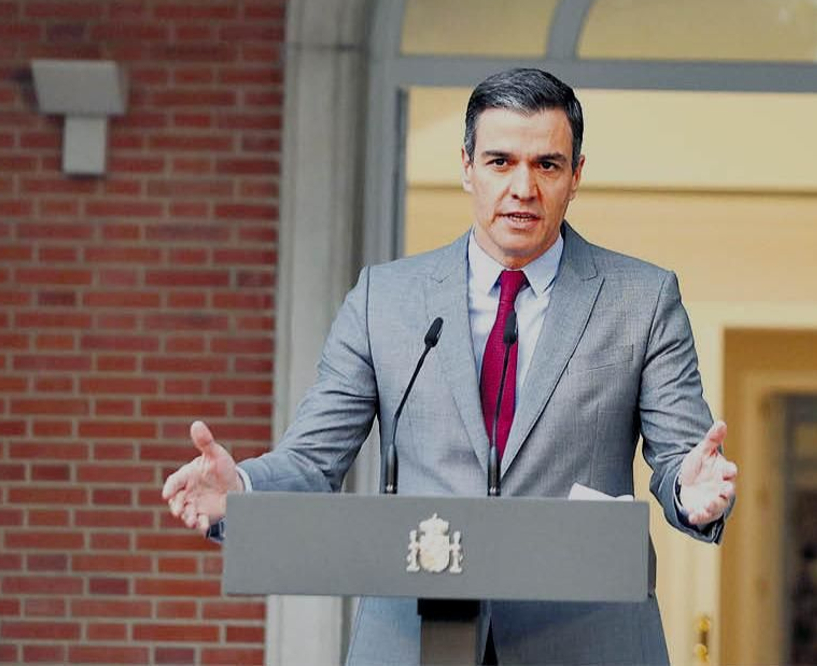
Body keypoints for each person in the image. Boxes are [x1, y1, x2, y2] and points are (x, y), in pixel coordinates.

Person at [161, 68, 737, 664]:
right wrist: (246, 490)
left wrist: (689, 491)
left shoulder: (641, 299)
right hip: (416, 636)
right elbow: (313, 458)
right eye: (499, 162)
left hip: (586, 637)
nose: (522, 187)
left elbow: (679, 460)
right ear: (466, 166)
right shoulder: (384, 299)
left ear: (576, 176)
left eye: (547, 165)